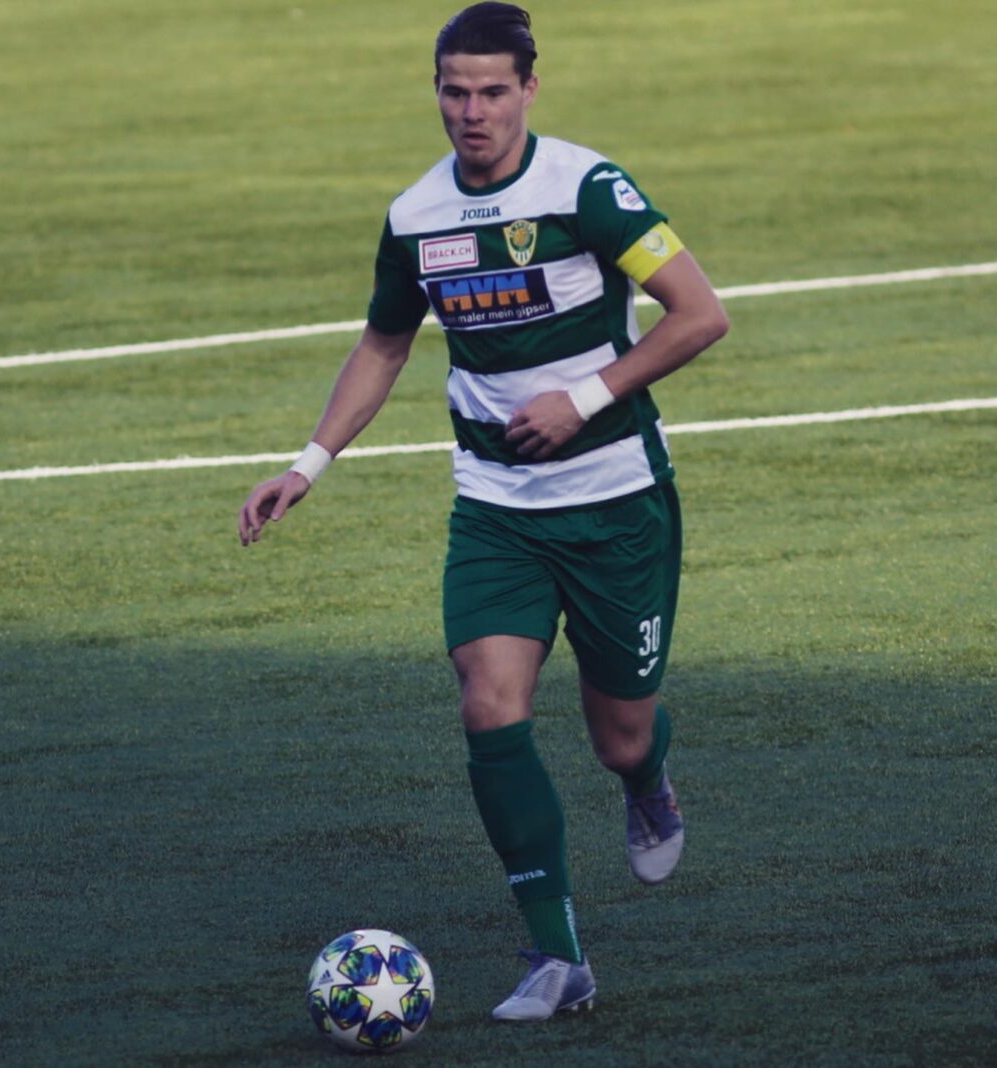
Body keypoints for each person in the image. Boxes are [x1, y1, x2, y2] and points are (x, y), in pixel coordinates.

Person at [238, 2, 729, 1022]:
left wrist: (583, 398)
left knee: (618, 737)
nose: (473, 111)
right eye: (455, 91)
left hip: (615, 503)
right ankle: (558, 956)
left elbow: (700, 315)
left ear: (529, 90)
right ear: (437, 92)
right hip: (496, 509)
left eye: (493, 91)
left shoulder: (588, 189)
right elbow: (384, 343)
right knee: (488, 704)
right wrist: (309, 462)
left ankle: (647, 779)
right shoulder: (417, 215)